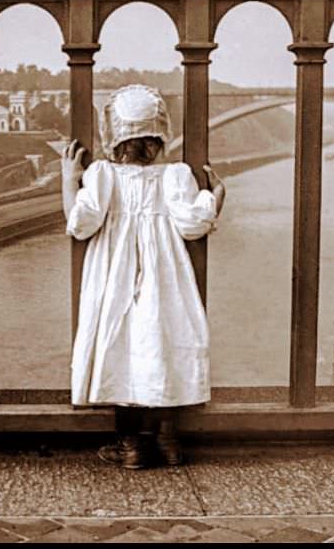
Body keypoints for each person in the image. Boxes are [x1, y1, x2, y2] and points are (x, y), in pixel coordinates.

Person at [61, 84, 226, 469]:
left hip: (113, 275)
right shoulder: (174, 176)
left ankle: (132, 445)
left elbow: (81, 223)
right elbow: (192, 223)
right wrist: (216, 195)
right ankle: (169, 441)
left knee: (120, 348)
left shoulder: (102, 176)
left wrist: (71, 179)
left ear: (114, 135)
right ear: (158, 136)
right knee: (163, 344)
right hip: (164, 275)